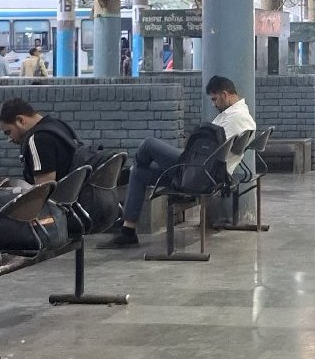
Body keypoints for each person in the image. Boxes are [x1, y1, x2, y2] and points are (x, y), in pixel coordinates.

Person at [108, 76, 255, 248]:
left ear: (225, 94)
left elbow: (210, 150)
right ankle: (128, 230)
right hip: (204, 170)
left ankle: (123, 175)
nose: (213, 104)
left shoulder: (235, 118)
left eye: (214, 99)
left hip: (199, 173)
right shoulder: (240, 115)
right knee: (138, 173)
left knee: (148, 145)